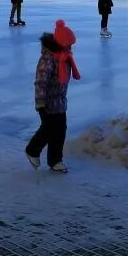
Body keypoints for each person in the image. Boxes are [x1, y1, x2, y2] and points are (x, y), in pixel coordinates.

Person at [26, 20, 81, 173]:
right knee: (49, 129)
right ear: (62, 43)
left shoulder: (64, 56)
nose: (71, 47)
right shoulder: (49, 58)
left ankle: (55, 160)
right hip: (47, 102)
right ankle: (32, 150)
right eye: (69, 44)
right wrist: (40, 103)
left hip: (59, 101)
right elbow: (41, 82)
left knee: (60, 130)